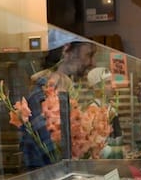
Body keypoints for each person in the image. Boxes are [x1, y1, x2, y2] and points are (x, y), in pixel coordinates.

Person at [21, 28, 96, 168]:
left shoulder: (64, 90)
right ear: (66, 50)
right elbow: (52, 154)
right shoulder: (41, 96)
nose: (92, 63)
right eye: (88, 54)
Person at [86, 66, 123, 158]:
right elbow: (95, 147)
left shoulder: (111, 109)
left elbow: (117, 139)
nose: (113, 86)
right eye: (108, 83)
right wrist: (119, 151)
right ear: (96, 87)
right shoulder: (93, 110)